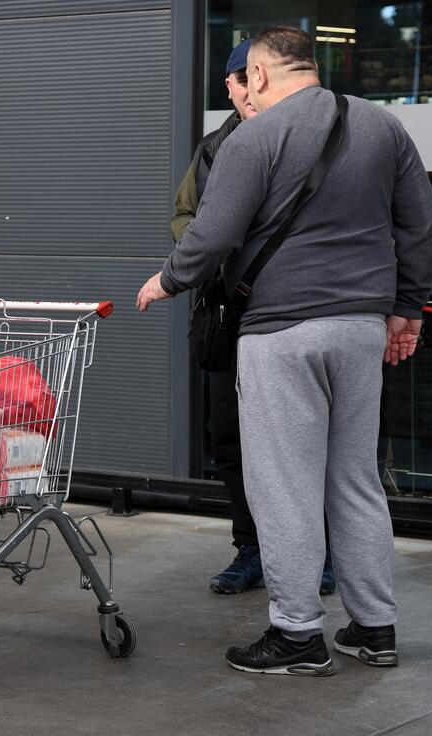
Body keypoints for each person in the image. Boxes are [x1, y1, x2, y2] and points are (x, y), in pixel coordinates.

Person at [137, 26, 432, 675]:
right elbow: (422, 221)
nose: (243, 87)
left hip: (281, 332)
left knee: (282, 485)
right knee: (355, 481)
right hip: (360, 327)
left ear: (262, 74)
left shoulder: (254, 138)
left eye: (245, 76)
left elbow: (213, 233)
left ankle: (298, 634)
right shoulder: (381, 127)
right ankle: (374, 628)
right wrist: (407, 309)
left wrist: (166, 280)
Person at [173, 40, 336, 597]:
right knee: (231, 441)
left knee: (309, 441)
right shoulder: (216, 149)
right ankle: (252, 551)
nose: (247, 90)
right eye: (236, 81)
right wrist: (213, 245)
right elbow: (186, 218)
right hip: (228, 317)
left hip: (294, 314)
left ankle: (320, 554)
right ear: (232, 87)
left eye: (252, 78)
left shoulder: (317, 136)